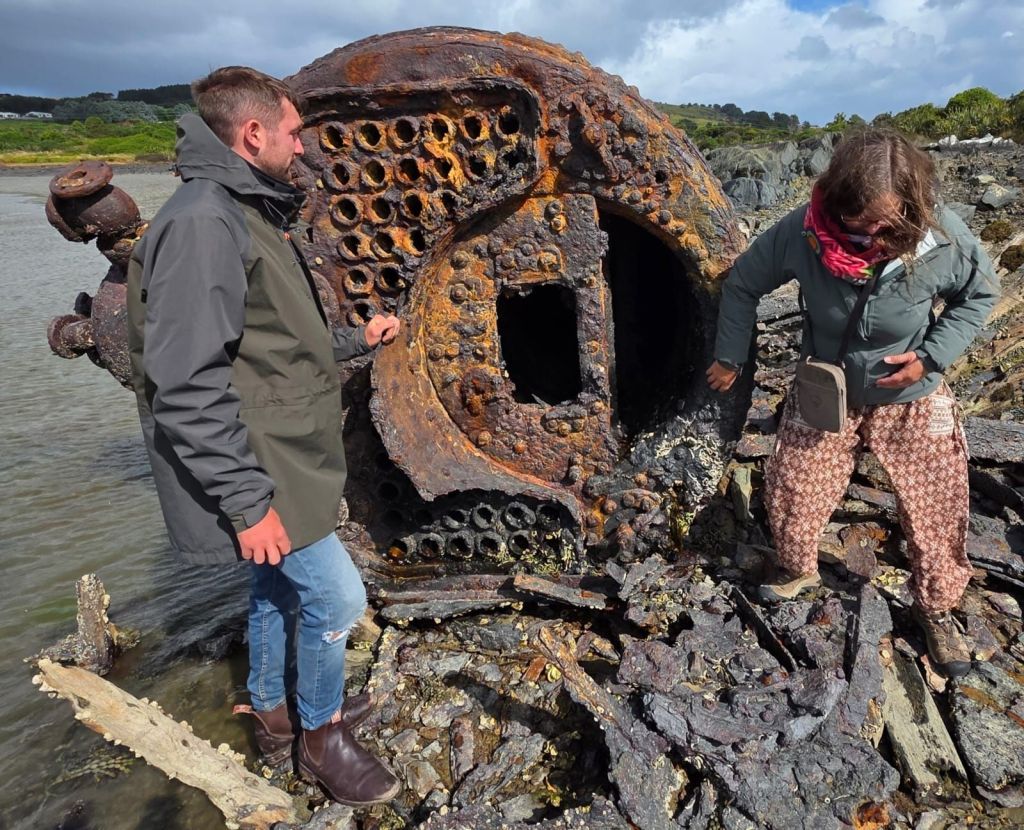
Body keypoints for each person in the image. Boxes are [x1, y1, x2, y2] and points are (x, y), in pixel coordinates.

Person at [126, 66, 402, 805]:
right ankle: (322, 738)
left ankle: (276, 716)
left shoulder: (241, 213)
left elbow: (272, 343)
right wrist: (247, 504)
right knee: (337, 600)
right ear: (253, 134)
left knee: (276, 588)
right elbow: (185, 383)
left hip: (283, 454)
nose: (301, 145)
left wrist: (357, 339)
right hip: (263, 465)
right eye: (292, 131)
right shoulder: (204, 224)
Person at [707, 127, 999, 678]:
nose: (872, 234)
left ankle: (936, 606)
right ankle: (797, 568)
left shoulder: (942, 236)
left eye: (887, 223)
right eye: (859, 222)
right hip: (826, 386)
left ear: (911, 204)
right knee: (794, 485)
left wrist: (930, 358)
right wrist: (730, 356)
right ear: (836, 198)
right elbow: (742, 284)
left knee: (937, 501)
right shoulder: (803, 231)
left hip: (910, 392)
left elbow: (979, 294)